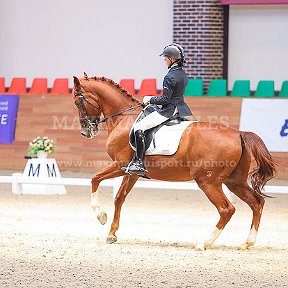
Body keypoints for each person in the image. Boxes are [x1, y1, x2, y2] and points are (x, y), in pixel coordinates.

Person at [123, 43, 193, 177]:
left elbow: (165, 99)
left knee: (139, 128)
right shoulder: (182, 74)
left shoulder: (169, 77)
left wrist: (149, 99)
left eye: (166, 57)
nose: (164, 60)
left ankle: (138, 162)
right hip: (181, 109)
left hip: (169, 110)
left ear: (172, 59)